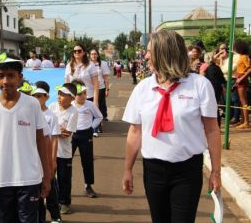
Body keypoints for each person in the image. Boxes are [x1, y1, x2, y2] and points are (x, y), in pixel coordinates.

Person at [122, 30, 221, 223]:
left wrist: (216, 172)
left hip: (187, 171)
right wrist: (127, 169)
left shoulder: (200, 85)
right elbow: (135, 132)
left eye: (150, 51)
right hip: (153, 171)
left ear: (166, 54)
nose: (146, 56)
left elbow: (212, 130)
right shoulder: (142, 88)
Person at [0, 52, 51, 223]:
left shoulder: (32, 104)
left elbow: (41, 141)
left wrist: (46, 177)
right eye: (0, 76)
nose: (5, 81)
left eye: (11, 76)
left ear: (20, 78)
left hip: (30, 179)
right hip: (2, 180)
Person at [32, 81, 62, 223]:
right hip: (34, 159)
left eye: (40, 96)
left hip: (47, 157)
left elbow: (55, 139)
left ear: (46, 97)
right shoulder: (30, 114)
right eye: (35, 96)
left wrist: (53, 160)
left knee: (50, 188)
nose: (38, 98)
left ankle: (55, 216)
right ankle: (41, 218)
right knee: (36, 191)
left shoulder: (51, 115)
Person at [48, 83, 78, 215]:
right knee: (49, 177)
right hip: (50, 150)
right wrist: (58, 130)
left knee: (64, 178)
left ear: (72, 98)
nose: (59, 97)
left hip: (64, 152)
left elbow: (68, 133)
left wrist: (54, 130)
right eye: (59, 93)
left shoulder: (73, 112)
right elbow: (45, 125)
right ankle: (51, 201)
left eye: (63, 94)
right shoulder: (52, 107)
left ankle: (65, 203)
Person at [71, 80, 102, 198]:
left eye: (84, 93)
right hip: (72, 135)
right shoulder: (70, 105)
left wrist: (91, 127)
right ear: (73, 94)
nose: (83, 96)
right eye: (80, 94)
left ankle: (88, 186)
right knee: (66, 162)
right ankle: (64, 186)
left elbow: (99, 117)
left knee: (87, 161)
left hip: (86, 136)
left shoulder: (90, 105)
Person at [204, 49, 226, 127]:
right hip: (216, 89)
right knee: (215, 106)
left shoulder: (209, 68)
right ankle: (217, 125)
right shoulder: (215, 68)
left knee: (214, 107)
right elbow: (222, 79)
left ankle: (217, 125)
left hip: (213, 90)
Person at [233, 40, 251, 129]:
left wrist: (241, 77)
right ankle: (243, 120)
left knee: (243, 101)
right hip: (239, 77)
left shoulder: (244, 57)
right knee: (241, 100)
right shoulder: (241, 56)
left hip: (242, 78)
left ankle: (247, 122)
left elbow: (249, 68)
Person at [90, 48, 110, 127]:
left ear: (97, 55)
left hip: (100, 88)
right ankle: (93, 123)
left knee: (99, 106)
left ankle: (99, 124)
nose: (93, 55)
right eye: (92, 54)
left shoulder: (103, 64)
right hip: (91, 88)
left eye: (95, 54)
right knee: (92, 106)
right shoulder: (88, 64)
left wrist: (107, 89)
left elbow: (106, 78)